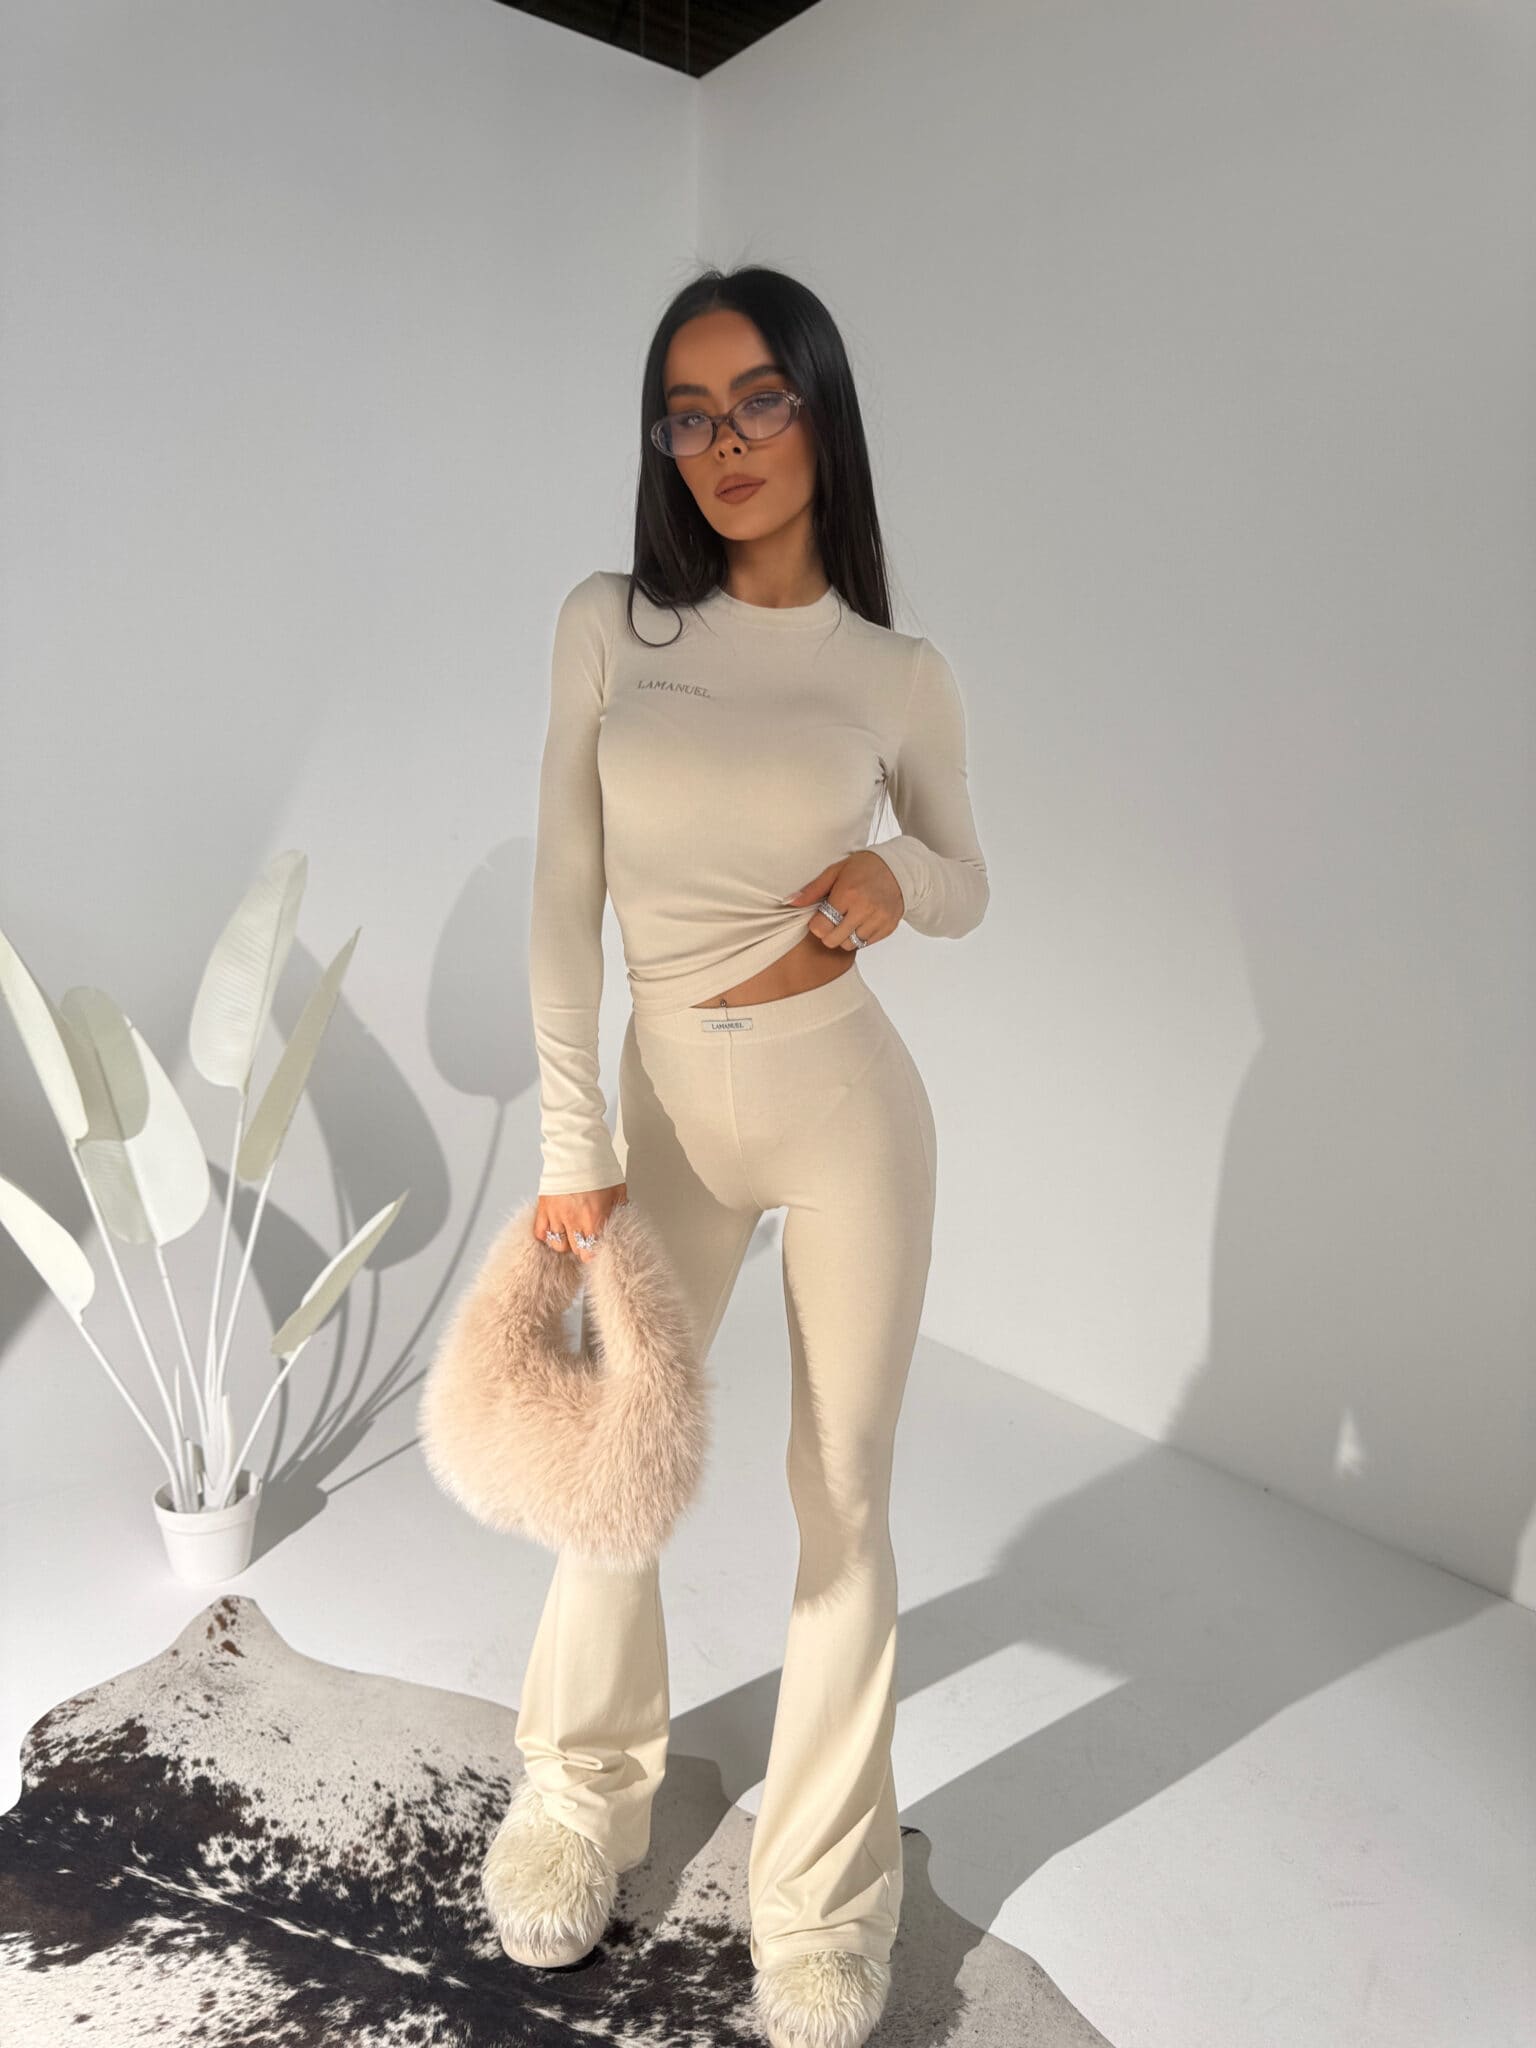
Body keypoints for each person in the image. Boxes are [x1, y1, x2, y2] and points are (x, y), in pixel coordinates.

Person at [489, 265, 989, 2048]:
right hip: (665, 1118)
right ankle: (580, 1792)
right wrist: (574, 1144)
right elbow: (561, 898)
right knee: (615, 1465)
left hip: (846, 1106)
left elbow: (966, 876)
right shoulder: (611, 625)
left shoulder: (896, 673)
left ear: (822, 410)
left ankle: (827, 1900)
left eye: (760, 399)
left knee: (839, 1491)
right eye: (689, 413)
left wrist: (894, 880)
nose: (725, 442)